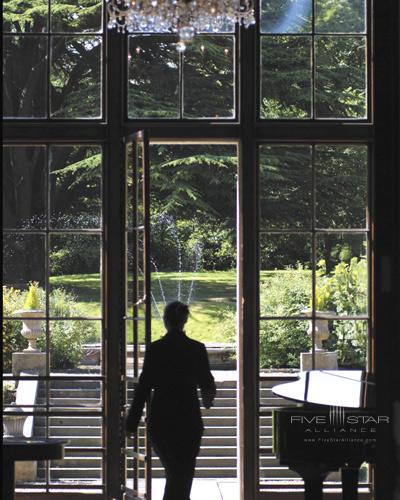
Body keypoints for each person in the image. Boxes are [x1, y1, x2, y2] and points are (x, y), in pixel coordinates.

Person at [126, 301, 217, 500]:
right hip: (189, 421)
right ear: (185, 320)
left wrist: (131, 424)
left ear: (166, 321)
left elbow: (143, 388)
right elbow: (207, 384)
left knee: (175, 472)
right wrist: (208, 399)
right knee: (182, 474)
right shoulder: (196, 349)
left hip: (161, 421)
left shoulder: (156, 350)